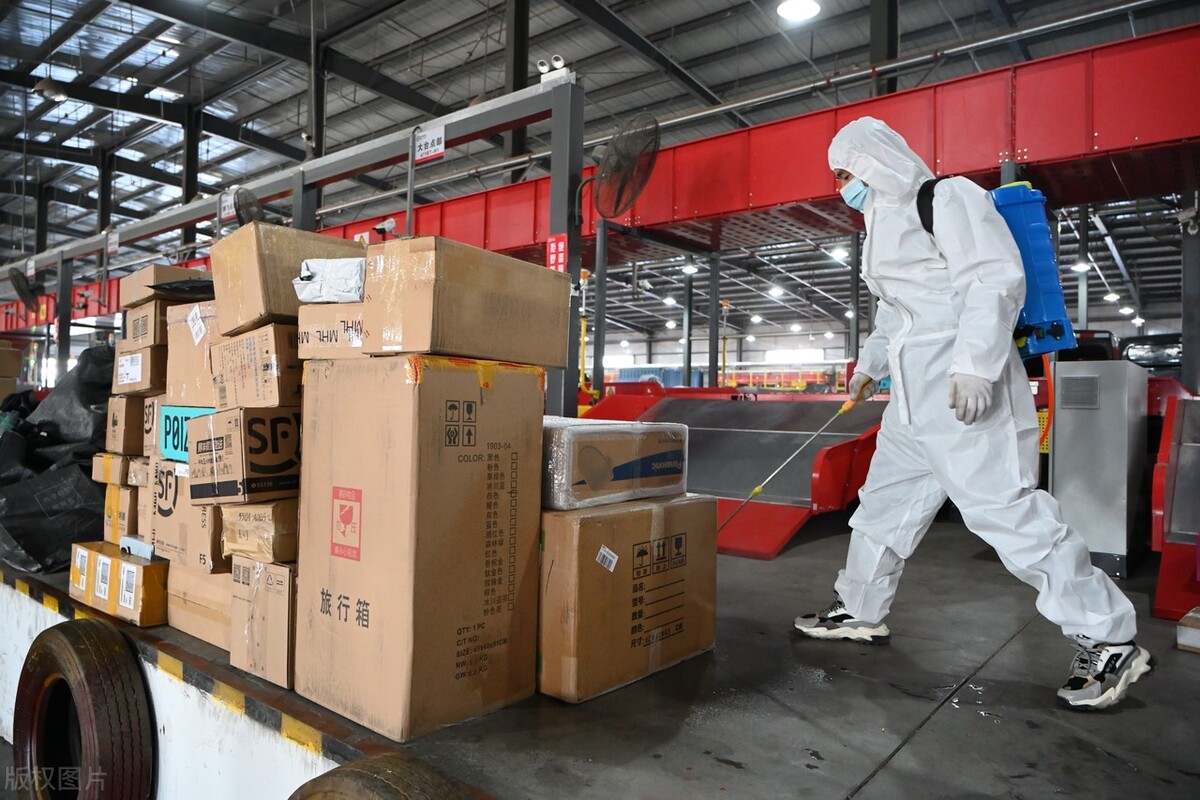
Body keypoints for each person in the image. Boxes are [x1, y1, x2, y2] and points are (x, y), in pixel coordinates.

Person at [793, 117, 1153, 711]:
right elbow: (895, 314)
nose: (842, 186)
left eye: (846, 171)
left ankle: (1109, 637)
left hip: (964, 389)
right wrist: (869, 367)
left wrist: (976, 368)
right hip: (911, 402)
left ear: (876, 159)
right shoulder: (878, 228)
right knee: (882, 507)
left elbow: (993, 279)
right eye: (836, 176)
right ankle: (858, 607)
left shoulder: (945, 197)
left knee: (1005, 512)